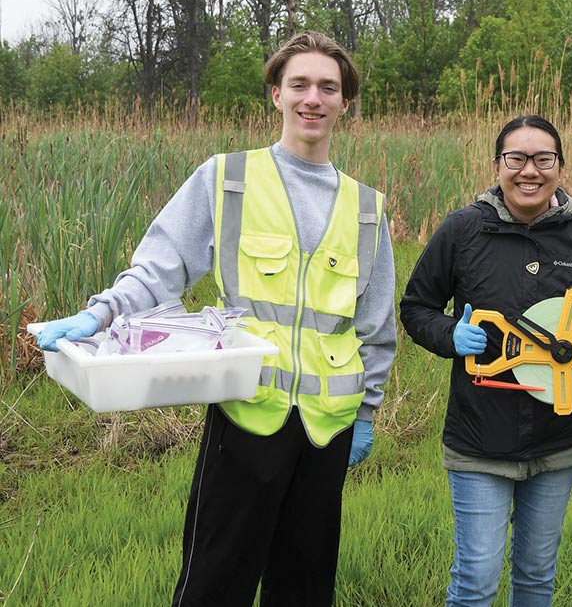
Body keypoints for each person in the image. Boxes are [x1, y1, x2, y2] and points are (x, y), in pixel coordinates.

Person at [33, 31, 396, 606]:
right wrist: (98, 315)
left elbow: (375, 327)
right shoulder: (228, 178)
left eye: (329, 88)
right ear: (275, 94)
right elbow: (160, 269)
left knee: (304, 587)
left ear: (345, 103)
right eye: (299, 84)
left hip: (329, 428)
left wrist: (368, 411)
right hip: (246, 413)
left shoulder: (369, 207)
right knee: (215, 582)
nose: (313, 99)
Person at [399, 114, 572, 606]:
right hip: (479, 437)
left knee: (536, 576)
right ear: (498, 165)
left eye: (543, 159)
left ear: (559, 167)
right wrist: (449, 335)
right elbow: (416, 308)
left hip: (558, 438)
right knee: (477, 580)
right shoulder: (462, 230)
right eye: (517, 159)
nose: (530, 171)